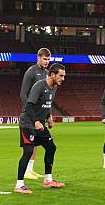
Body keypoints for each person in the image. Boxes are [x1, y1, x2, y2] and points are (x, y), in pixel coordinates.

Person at [14, 63, 66, 194]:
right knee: (28, 152)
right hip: (28, 124)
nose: (63, 78)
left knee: (51, 148)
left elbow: (47, 104)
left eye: (63, 76)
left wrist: (49, 118)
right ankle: (19, 185)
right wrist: (36, 121)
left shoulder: (54, 88)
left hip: (40, 125)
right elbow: (29, 106)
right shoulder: (39, 86)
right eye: (61, 76)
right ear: (52, 74)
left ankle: (48, 180)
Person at [19, 48, 51, 180]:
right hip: (31, 114)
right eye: (44, 59)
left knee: (36, 143)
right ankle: (26, 170)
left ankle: (30, 169)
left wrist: (48, 115)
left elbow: (46, 97)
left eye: (48, 59)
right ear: (38, 58)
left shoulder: (47, 73)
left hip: (40, 114)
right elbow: (23, 93)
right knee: (29, 144)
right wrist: (29, 111)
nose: (46, 61)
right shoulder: (31, 72)